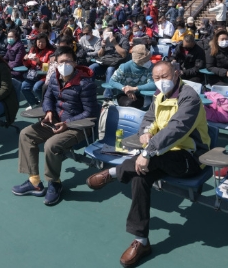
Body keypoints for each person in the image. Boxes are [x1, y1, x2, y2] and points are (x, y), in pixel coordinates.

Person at [84, 61, 210, 267]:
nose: (161, 82)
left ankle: (114, 172)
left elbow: (177, 129)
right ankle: (141, 241)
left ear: (176, 74)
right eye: (157, 78)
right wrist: (146, 132)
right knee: (140, 175)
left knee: (148, 160)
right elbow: (149, 118)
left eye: (165, 76)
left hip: (190, 158)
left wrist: (149, 151)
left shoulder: (189, 97)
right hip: (162, 152)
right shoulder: (159, 96)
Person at [12, 46, 100, 206]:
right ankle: (34, 182)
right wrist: (49, 111)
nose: (64, 64)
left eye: (68, 61)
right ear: (56, 63)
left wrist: (67, 124)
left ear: (75, 63)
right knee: (26, 135)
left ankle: (55, 183)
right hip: (54, 121)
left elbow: (90, 113)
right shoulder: (54, 77)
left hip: (78, 127)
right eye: (61, 62)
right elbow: (48, 98)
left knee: (51, 145)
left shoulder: (85, 84)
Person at [109, 44, 155, 109]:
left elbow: (153, 84)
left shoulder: (150, 67)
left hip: (141, 94)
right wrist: (125, 89)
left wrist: (135, 88)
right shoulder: (124, 67)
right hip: (123, 94)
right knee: (129, 104)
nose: (148, 61)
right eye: (145, 60)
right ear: (139, 61)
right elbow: (112, 81)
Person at [89, 27, 129, 100]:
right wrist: (103, 46)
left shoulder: (123, 40)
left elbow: (124, 55)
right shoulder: (105, 40)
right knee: (92, 68)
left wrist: (115, 43)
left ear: (114, 34)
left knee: (110, 70)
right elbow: (100, 55)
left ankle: (108, 95)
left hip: (117, 64)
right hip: (105, 62)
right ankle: (89, 92)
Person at [21, 33, 55, 109]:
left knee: (36, 87)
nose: (41, 44)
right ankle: (34, 104)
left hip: (43, 76)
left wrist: (39, 62)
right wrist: (25, 60)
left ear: (46, 42)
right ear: (36, 42)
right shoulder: (33, 50)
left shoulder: (50, 52)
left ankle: (44, 103)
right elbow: (28, 65)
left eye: (43, 42)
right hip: (33, 75)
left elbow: (48, 69)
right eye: (39, 42)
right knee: (24, 86)